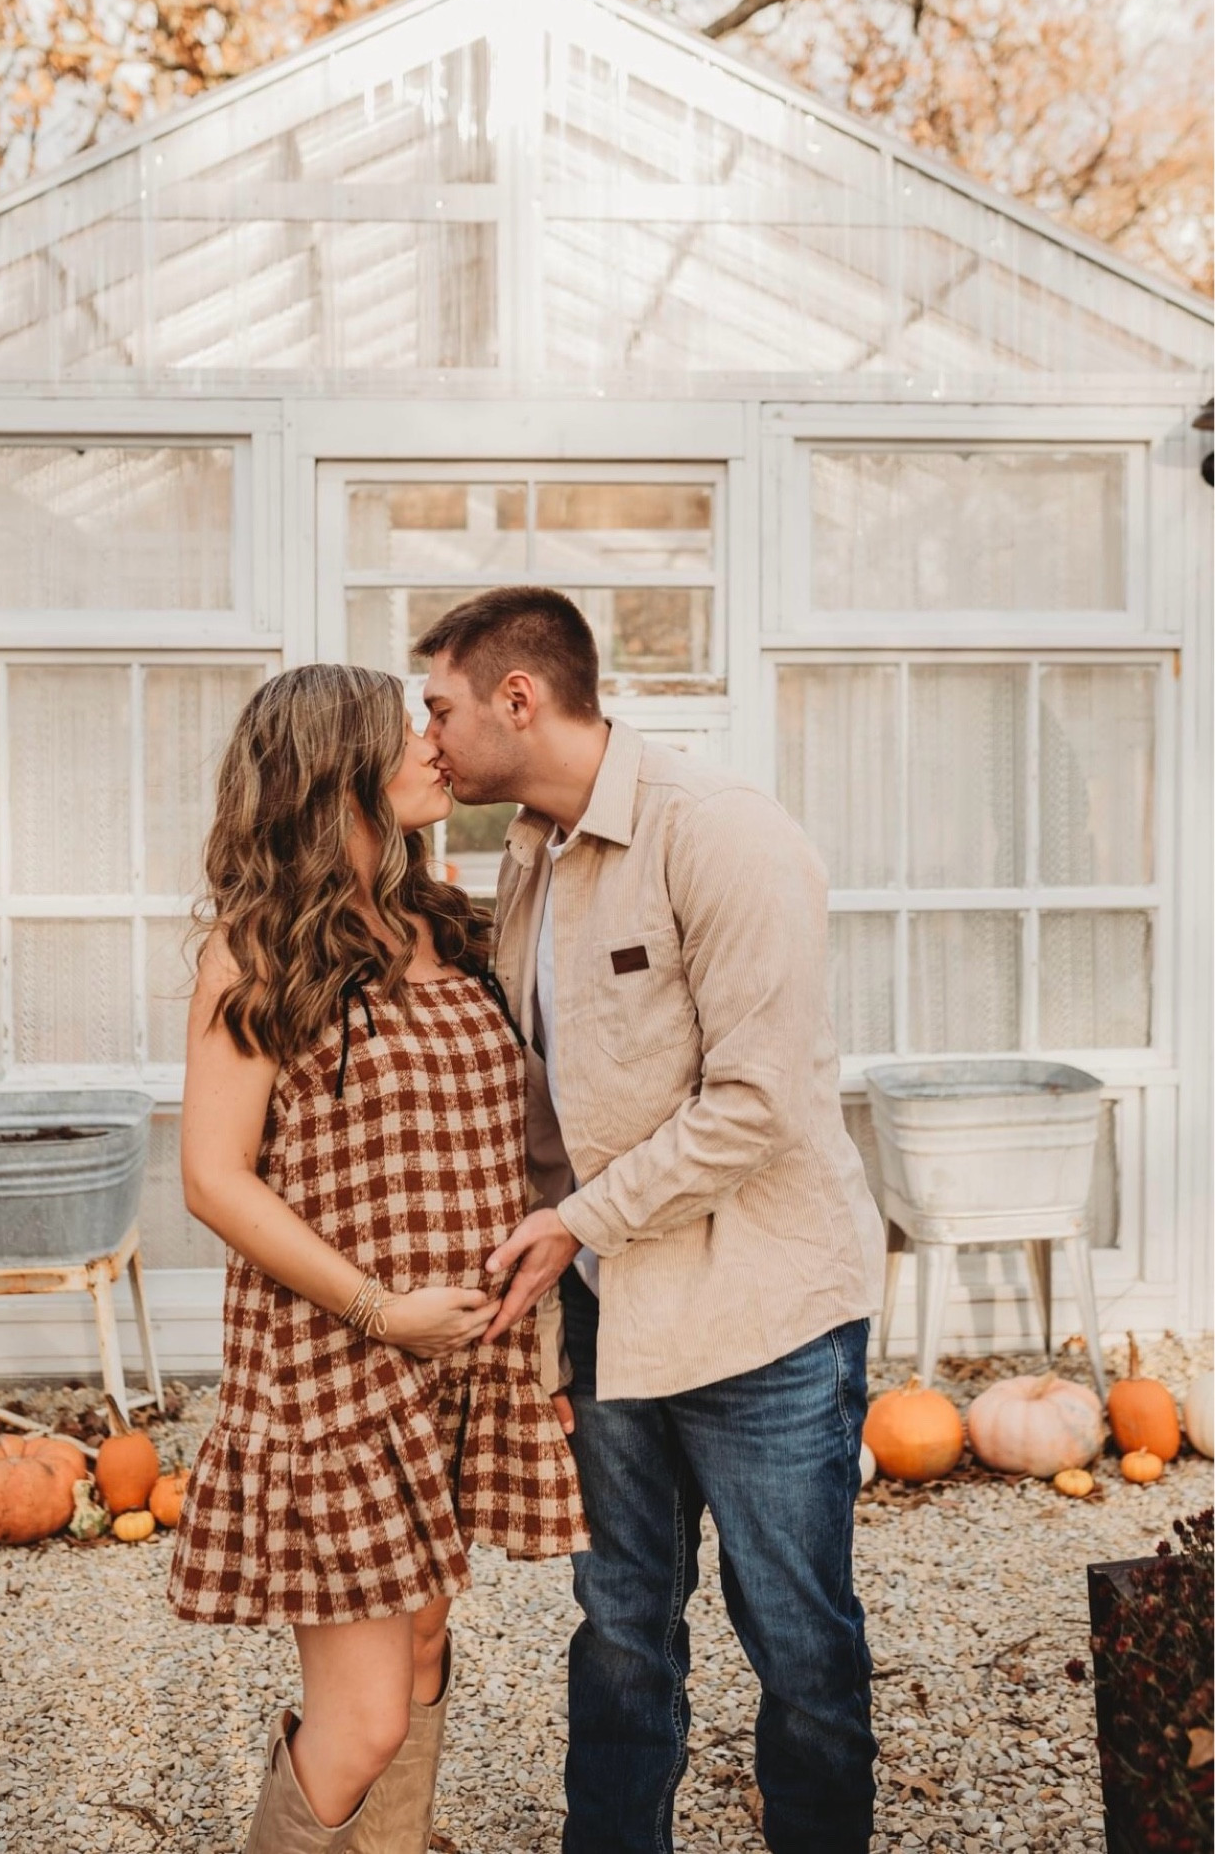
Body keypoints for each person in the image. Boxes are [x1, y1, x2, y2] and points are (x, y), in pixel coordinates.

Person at [416, 588, 887, 1854]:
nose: (430, 737)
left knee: (799, 1641)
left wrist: (573, 1221)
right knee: (622, 1628)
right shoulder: (526, 848)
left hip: (763, 1318)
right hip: (605, 1316)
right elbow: (532, 1078)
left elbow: (757, 1104)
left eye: (441, 707)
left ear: (520, 697)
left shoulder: (721, 835)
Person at [166, 663, 587, 1854]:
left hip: (456, 1360)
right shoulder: (254, 953)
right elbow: (213, 1175)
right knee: (357, 1719)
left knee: (421, 1648)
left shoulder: (446, 921)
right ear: (328, 772)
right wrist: (376, 1307)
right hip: (336, 1367)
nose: (429, 745)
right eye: (401, 730)